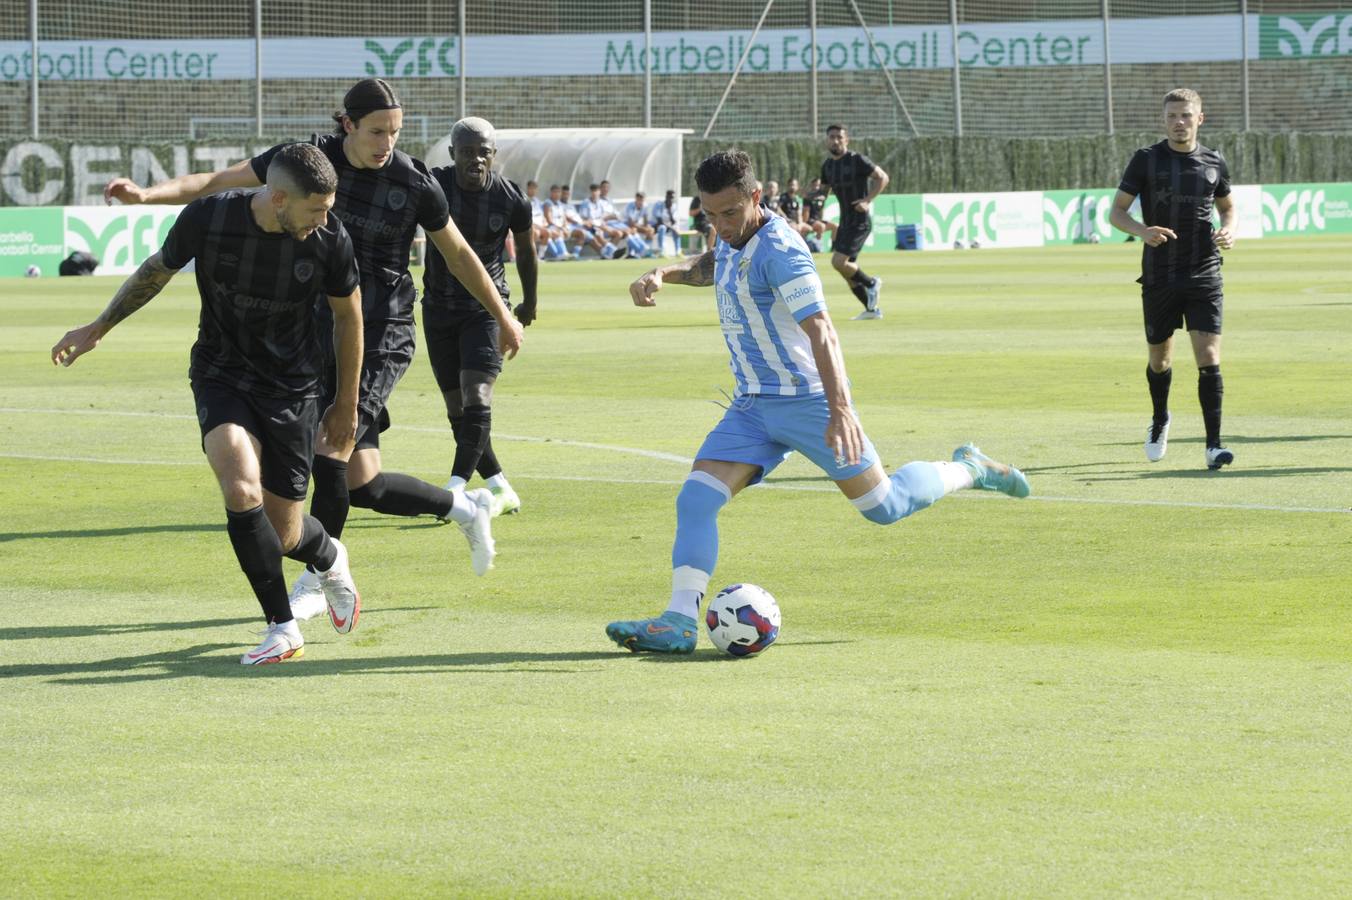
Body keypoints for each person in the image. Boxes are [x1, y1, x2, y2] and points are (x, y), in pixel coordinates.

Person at [104, 78, 524, 611]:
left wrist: (503, 315)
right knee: (362, 483)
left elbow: (461, 254)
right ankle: (466, 509)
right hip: (319, 334)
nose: (386, 143)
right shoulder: (304, 163)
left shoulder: (415, 183)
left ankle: (314, 582)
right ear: (347, 125)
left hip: (381, 333)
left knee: (332, 451)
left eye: (395, 132)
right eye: (376, 131)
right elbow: (216, 180)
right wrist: (146, 195)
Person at [604, 150, 1030, 655]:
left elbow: (822, 329)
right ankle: (678, 621)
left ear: (756, 198)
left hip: (808, 403)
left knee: (884, 506)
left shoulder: (782, 252)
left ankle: (970, 468)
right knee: (696, 498)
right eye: (709, 215)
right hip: (752, 408)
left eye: (729, 214)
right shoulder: (733, 237)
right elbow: (715, 263)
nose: (719, 225)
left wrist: (842, 409)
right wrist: (664, 273)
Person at [55, 144, 364, 665]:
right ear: (280, 198)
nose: (325, 218)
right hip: (221, 373)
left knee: (286, 532)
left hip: (292, 387)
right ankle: (282, 628)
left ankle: (329, 557)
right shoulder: (210, 217)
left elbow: (349, 318)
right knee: (239, 487)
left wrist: (346, 404)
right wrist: (97, 327)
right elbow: (156, 271)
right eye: (317, 209)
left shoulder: (330, 240)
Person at [1110, 87, 1236, 470]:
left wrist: (1230, 229)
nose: (1178, 123)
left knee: (1209, 356)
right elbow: (1116, 212)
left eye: (1185, 115)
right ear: (1164, 120)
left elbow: (1228, 207)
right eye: (1171, 117)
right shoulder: (1146, 160)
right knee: (1160, 360)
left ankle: (1213, 445)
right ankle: (1160, 418)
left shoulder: (1215, 161)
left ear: (1200, 118)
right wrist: (1142, 229)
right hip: (1160, 274)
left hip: (1204, 271)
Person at [425, 117, 535, 519]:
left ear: (494, 154)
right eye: (467, 151)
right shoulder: (434, 187)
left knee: (476, 397)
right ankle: (500, 486)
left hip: (487, 310)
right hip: (438, 308)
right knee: (457, 410)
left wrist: (529, 303)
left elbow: (525, 252)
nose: (476, 159)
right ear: (453, 153)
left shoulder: (510, 198)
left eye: (483, 151)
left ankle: (454, 488)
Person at [820, 125, 888, 319]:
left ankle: (871, 283)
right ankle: (871, 310)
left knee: (838, 262)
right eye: (831, 137)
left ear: (846, 140)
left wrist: (867, 200)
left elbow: (883, 177)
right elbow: (824, 192)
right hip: (845, 222)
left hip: (860, 222)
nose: (835, 141)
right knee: (846, 270)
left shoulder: (857, 160)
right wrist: (816, 209)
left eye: (839, 137)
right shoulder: (827, 166)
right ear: (827, 140)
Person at [803, 176, 834, 251]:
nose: (817, 187)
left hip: (818, 220)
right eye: (815, 185)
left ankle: (834, 249)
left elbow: (829, 189)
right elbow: (806, 212)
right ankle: (817, 247)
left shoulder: (822, 196)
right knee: (821, 226)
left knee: (835, 227)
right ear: (811, 185)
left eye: (818, 185)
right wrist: (805, 223)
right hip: (810, 220)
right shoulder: (808, 197)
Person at [649, 189, 680, 256]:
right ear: (666, 197)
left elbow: (674, 221)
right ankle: (661, 250)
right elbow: (659, 221)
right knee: (662, 227)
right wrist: (672, 228)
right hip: (656, 226)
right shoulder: (659, 205)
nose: (671, 199)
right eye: (670, 197)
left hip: (669, 226)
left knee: (676, 230)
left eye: (673, 198)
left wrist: (669, 212)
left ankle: (678, 251)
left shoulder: (674, 206)